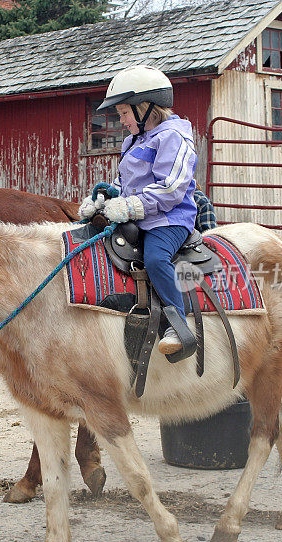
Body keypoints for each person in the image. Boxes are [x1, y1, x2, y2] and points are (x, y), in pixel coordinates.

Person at [79, 65, 198, 356]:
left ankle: (177, 325)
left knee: (157, 259)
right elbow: (128, 181)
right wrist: (109, 197)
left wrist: (131, 206)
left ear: (145, 109)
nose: (121, 121)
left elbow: (171, 189)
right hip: (139, 214)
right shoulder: (135, 139)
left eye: (124, 113)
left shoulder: (174, 137)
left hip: (168, 218)